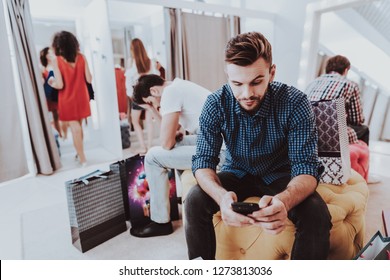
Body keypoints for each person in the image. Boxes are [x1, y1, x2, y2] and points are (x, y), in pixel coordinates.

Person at [184, 31, 332, 260]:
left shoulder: (296, 102)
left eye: (256, 82)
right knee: (194, 199)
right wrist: (221, 197)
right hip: (237, 172)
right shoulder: (215, 103)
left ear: (272, 73)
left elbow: (306, 168)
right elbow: (203, 162)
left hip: (280, 175)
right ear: (228, 76)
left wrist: (284, 201)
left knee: (316, 212)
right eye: (237, 84)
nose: (247, 94)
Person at [129, 74, 211, 237]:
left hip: (219, 150)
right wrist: (152, 108)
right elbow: (176, 132)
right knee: (175, 144)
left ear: (154, 90)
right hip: (214, 141)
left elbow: (166, 143)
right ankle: (179, 203)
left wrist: (169, 136)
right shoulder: (178, 86)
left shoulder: (170, 93)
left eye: (151, 102)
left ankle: (161, 223)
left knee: (152, 156)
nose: (154, 105)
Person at [50, 31, 92, 167]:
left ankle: (83, 158)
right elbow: (89, 79)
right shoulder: (82, 57)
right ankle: (79, 154)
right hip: (82, 97)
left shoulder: (57, 61)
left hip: (67, 99)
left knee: (76, 129)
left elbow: (60, 84)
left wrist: (51, 82)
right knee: (78, 128)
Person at [305, 55, 368, 145]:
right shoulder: (350, 85)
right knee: (364, 129)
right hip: (330, 133)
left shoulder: (312, 82)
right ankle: (354, 158)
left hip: (306, 129)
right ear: (346, 70)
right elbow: (357, 120)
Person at [125, 38, 159, 154]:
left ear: (132, 49)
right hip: (148, 93)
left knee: (135, 121)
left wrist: (130, 94)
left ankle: (143, 146)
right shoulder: (149, 61)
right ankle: (149, 146)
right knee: (149, 121)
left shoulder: (131, 61)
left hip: (137, 94)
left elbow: (129, 79)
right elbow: (156, 76)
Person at [39, 47, 61, 137]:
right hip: (50, 95)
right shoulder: (43, 69)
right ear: (46, 56)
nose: (51, 54)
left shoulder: (58, 65)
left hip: (60, 92)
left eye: (51, 52)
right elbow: (42, 82)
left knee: (61, 114)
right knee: (55, 115)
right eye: (48, 53)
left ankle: (63, 133)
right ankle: (59, 134)